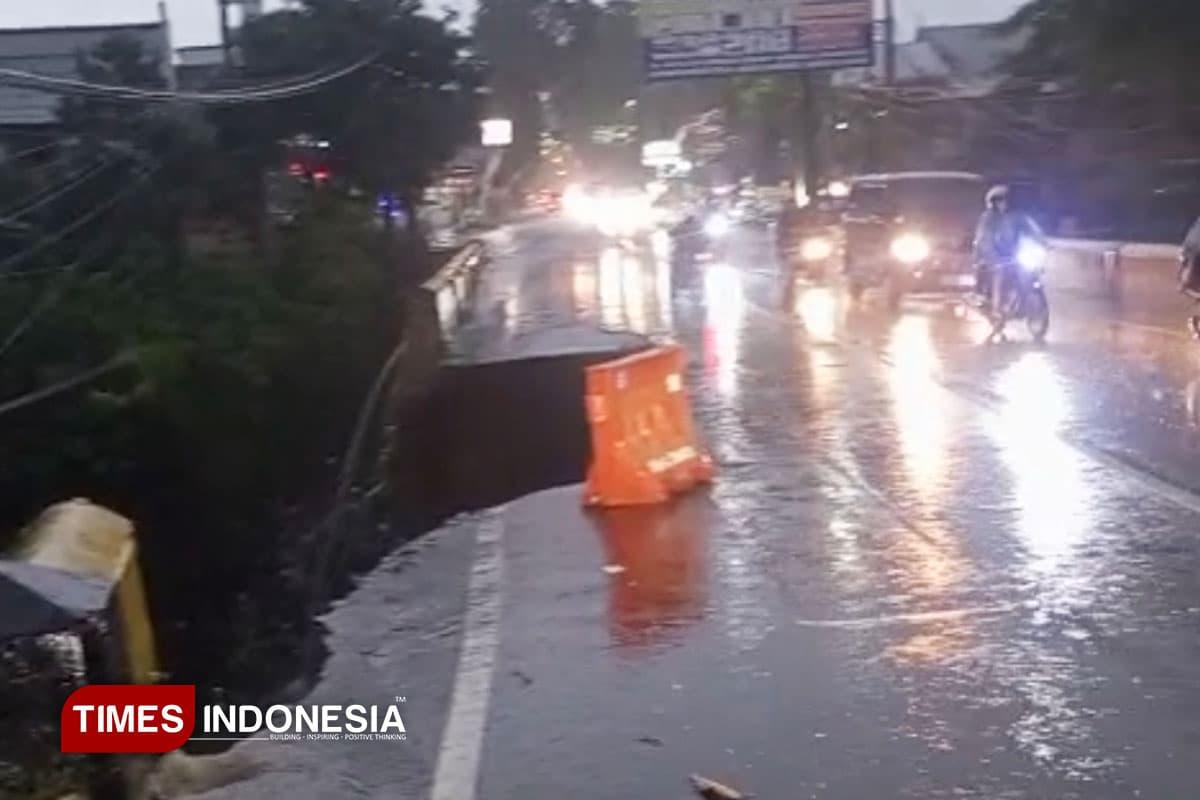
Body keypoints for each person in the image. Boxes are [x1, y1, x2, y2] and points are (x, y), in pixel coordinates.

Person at [973, 184, 1043, 310]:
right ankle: (995, 304)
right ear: (993, 203)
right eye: (999, 200)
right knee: (999, 273)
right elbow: (984, 238)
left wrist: (1043, 243)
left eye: (1005, 200)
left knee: (1027, 272)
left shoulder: (1017, 216)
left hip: (1011, 253)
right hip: (991, 254)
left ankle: (1022, 303)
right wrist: (993, 256)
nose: (1003, 203)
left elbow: (1032, 230)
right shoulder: (988, 218)